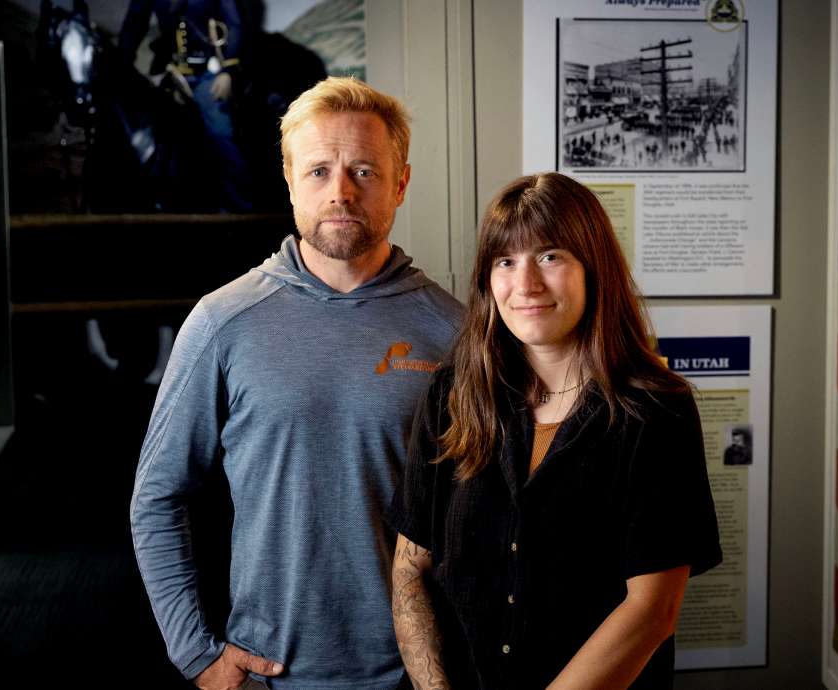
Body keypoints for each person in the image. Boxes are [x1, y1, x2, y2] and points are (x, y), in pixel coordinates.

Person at [131, 77, 464, 690]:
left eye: (363, 170)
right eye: (318, 171)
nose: (340, 191)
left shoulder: (454, 332)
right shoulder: (222, 322)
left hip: (419, 676)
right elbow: (157, 497)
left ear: (401, 183)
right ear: (288, 180)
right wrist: (196, 655)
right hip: (270, 675)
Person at [389, 172, 722, 689]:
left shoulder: (656, 410)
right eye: (506, 262)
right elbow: (412, 570)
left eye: (549, 256)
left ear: (594, 267)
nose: (526, 285)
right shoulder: (454, 394)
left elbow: (653, 610)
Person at [119, 0, 253, 211]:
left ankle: (241, 209)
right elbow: (134, 24)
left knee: (221, 134)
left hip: (209, 73)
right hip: (170, 70)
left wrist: (229, 70)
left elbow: (235, 23)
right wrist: (121, 66)